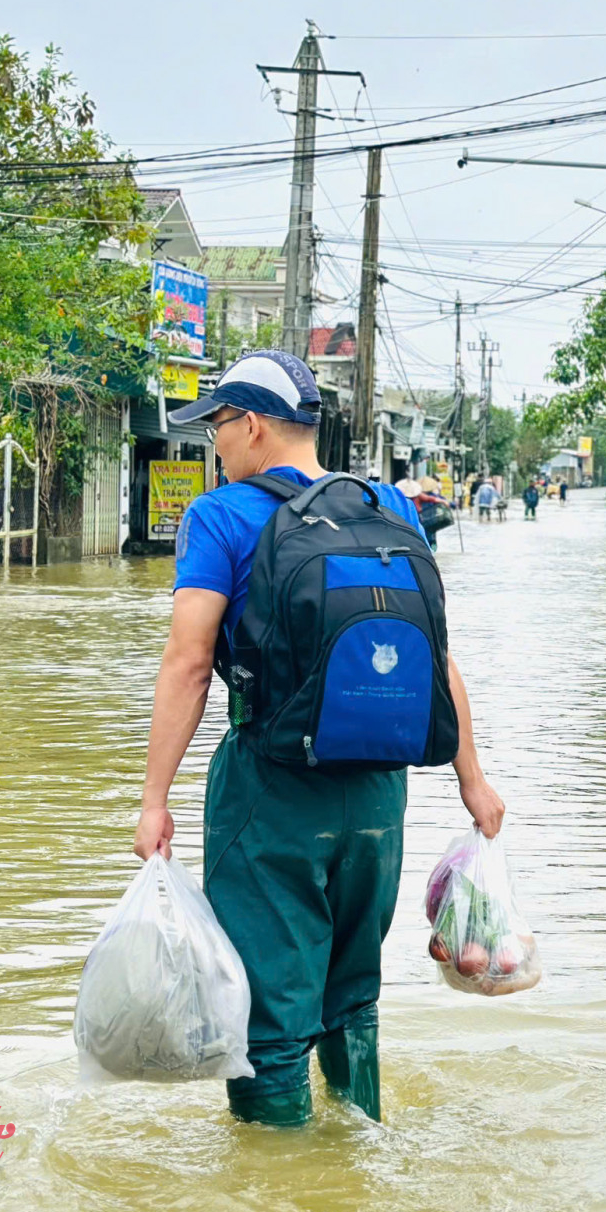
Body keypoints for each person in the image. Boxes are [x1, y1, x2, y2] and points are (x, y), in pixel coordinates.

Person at [131, 351, 505, 1127]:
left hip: (271, 789)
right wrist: (474, 780)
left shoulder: (222, 515)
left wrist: (153, 799)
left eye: (219, 430)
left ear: (255, 426)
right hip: (378, 792)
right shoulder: (391, 510)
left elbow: (190, 661)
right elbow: (435, 658)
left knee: (268, 1015)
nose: (215, 447)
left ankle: (278, 1189)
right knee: (351, 994)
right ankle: (358, 1154)